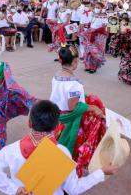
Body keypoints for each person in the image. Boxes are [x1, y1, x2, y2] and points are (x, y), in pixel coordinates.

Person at [0, 100, 117, 195]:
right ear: (57, 126)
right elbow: (73, 189)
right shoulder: (62, 152)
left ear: (29, 123)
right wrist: (101, 172)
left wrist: (14, 189)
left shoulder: (11, 150)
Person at [50, 45, 106, 177]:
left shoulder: (56, 76)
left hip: (55, 116)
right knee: (67, 148)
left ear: (60, 60)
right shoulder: (74, 83)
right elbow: (73, 106)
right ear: (75, 62)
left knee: (55, 147)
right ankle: (65, 174)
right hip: (68, 121)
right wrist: (93, 108)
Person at [80, 2, 108, 73]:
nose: (97, 9)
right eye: (96, 7)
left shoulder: (104, 16)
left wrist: (95, 31)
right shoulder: (92, 14)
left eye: (98, 7)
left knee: (95, 51)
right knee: (88, 50)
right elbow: (90, 23)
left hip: (98, 35)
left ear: (102, 8)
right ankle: (88, 66)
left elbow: (104, 27)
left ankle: (94, 67)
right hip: (90, 33)